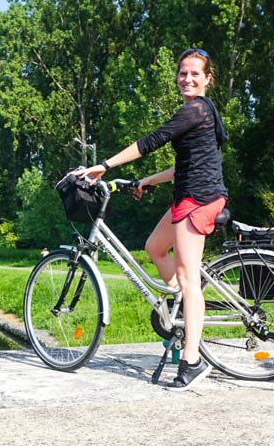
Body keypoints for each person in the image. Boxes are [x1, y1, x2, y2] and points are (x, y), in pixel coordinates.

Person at [73, 47, 228, 388]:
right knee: (155, 248)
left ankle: (192, 361)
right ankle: (180, 310)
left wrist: (106, 165)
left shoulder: (196, 110)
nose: (186, 79)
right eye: (182, 73)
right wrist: (145, 181)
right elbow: (182, 166)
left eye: (194, 74)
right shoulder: (201, 114)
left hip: (197, 201)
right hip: (188, 196)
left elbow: (151, 141)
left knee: (188, 281)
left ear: (207, 79)